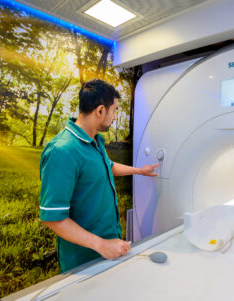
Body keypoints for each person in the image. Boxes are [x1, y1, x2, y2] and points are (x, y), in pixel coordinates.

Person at [39, 79, 159, 272]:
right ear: (101, 110)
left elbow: (106, 166)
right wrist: (101, 245)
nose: (114, 117)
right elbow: (52, 218)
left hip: (107, 248)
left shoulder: (95, 140)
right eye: (114, 111)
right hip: (83, 259)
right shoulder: (62, 151)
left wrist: (139, 171)